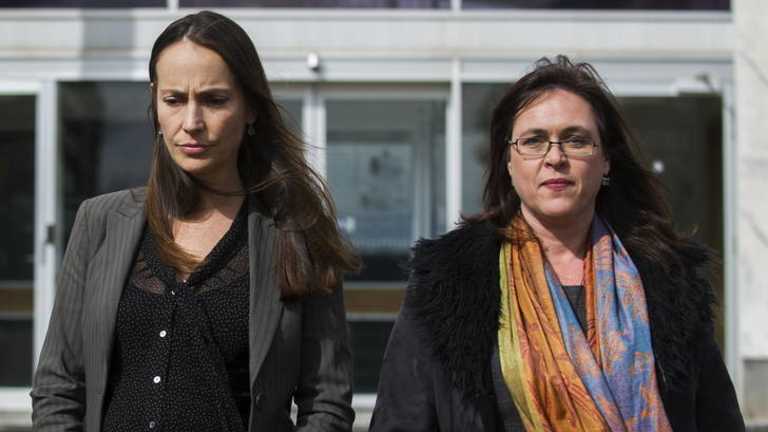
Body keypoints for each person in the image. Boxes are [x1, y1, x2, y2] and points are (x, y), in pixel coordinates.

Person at [370, 56, 744, 432]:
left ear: (606, 162)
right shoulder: (448, 282)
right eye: (533, 141)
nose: (555, 157)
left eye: (576, 139)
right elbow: (400, 421)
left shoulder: (668, 279)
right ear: (508, 163)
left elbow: (718, 419)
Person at [31, 10, 359, 432]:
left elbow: (327, 403)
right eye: (174, 100)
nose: (191, 123)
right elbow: (59, 386)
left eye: (214, 100)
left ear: (251, 108)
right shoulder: (100, 221)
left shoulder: (298, 230)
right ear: (154, 100)